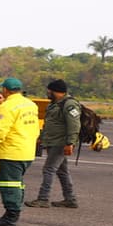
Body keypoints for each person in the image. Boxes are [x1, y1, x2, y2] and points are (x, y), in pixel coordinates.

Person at [0, 76, 40, 226]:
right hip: (27, 151)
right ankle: (13, 212)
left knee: (9, 184)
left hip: (11, 152)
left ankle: (11, 216)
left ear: (5, 90)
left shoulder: (7, 107)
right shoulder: (31, 105)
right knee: (17, 184)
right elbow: (35, 129)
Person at [31, 78, 82, 209]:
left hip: (60, 142)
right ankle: (70, 199)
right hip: (53, 141)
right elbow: (50, 123)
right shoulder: (54, 104)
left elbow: (74, 125)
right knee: (62, 171)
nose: (48, 93)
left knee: (48, 169)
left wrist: (70, 143)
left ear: (56, 91)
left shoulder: (70, 105)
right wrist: (41, 137)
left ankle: (43, 198)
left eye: (49, 90)